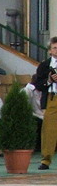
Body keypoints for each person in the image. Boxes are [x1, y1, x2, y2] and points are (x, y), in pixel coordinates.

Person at [34, 38, 57, 170]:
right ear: (49, 51)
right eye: (54, 48)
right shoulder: (44, 65)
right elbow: (38, 84)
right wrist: (49, 80)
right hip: (52, 98)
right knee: (49, 130)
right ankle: (46, 160)